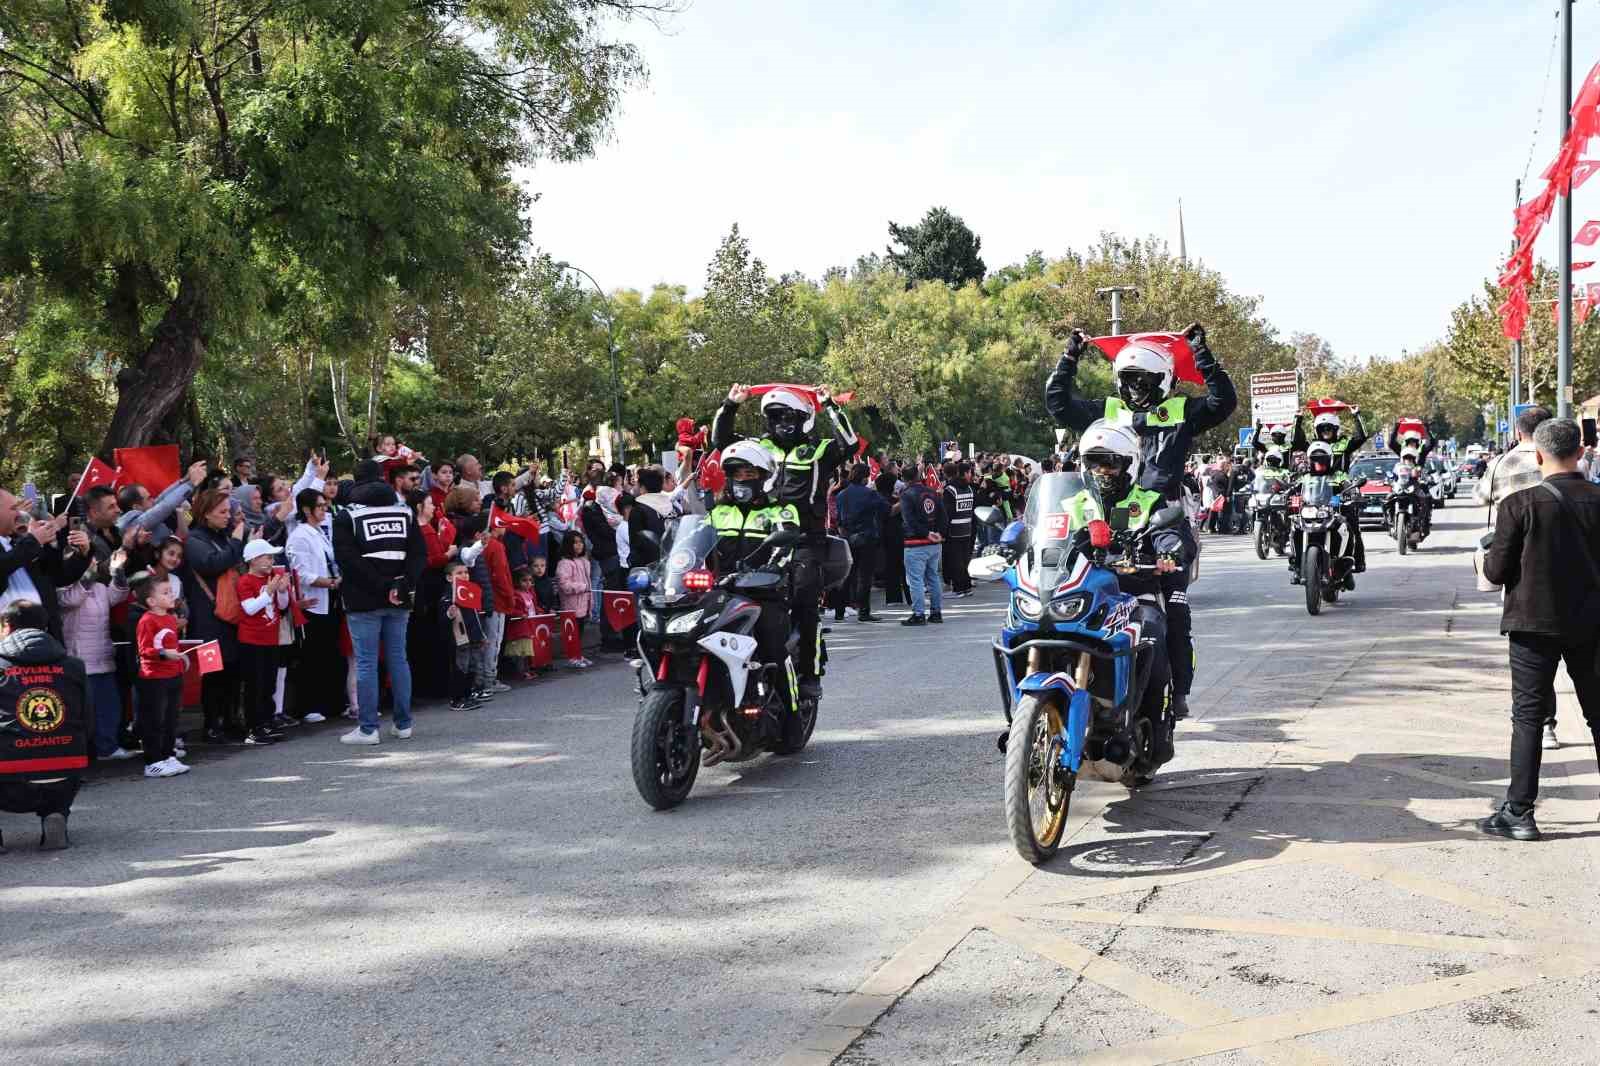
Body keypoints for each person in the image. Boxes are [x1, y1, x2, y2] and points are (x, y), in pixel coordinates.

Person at [1046, 323, 1236, 720]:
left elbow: (1223, 402)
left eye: (1143, 380)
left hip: (1160, 519)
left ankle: (1176, 693)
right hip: (1105, 514)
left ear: (1164, 380)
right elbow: (1059, 404)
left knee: (1175, 611)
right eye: (1128, 380)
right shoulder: (1108, 411)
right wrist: (1070, 357)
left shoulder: (1182, 411)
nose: (1134, 389)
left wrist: (1200, 352)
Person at [1479, 418, 1600, 841]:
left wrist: (1487, 559)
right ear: (1581, 452)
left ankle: (1520, 812)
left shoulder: (1519, 504)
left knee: (1528, 717)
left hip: (1533, 624)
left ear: (1537, 454)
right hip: (1592, 622)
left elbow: (1497, 570)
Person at [712, 384, 857, 700]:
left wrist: (829, 404)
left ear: (804, 417)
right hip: (763, 535)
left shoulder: (819, 450)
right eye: (774, 415)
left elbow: (851, 444)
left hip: (805, 539)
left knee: (805, 595)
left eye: (787, 414)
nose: (781, 421)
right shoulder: (760, 446)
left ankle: (810, 671)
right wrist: (730, 405)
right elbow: (720, 442)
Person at [1069, 421, 1187, 768]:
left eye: (1110, 463)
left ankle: (1158, 723)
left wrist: (1169, 550)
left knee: (1153, 634)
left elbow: (1169, 532)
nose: (1102, 471)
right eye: (1095, 463)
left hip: (1134, 594)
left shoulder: (1148, 501)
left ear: (1128, 464)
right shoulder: (1073, 502)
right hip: (1082, 594)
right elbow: (1044, 533)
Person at [333, 460, 425, 745]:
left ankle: (368, 728)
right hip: (399, 597)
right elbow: (418, 554)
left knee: (366, 663)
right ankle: (403, 723)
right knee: (398, 658)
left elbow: (347, 561)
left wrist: (382, 585)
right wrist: (401, 584)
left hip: (363, 599)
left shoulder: (346, 516)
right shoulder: (404, 511)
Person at [708, 441, 801, 710]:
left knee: (773, 646)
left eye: (749, 474)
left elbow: (785, 546)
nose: (742, 480)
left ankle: (791, 712)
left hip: (764, 592)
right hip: (722, 592)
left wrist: (770, 569)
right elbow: (693, 542)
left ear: (763, 477)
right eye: (737, 474)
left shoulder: (780, 510)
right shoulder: (719, 513)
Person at [0, 600, 89, 849]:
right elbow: (88, 719)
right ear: (45, 626)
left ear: (7, 625)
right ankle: (55, 813)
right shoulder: (74, 666)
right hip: (65, 772)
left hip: (7, 780)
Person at [179, 488, 246, 742]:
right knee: (213, 672)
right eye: (222, 512)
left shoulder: (222, 536)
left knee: (233, 670)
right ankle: (212, 722)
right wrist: (237, 543)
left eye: (229, 511)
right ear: (206, 514)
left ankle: (230, 718)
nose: (227, 516)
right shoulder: (195, 540)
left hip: (229, 616)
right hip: (207, 618)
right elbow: (212, 564)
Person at [59, 545, 135, 762]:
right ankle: (84, 751)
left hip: (103, 656)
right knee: (85, 711)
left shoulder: (100, 588)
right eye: (86, 561)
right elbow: (71, 600)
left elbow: (119, 594)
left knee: (109, 707)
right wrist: (89, 573)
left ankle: (107, 748)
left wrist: (117, 571)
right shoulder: (63, 587)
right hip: (80, 660)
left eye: (92, 561)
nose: (91, 564)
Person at [0, 492, 91, 643]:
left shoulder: (19, 542)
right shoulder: (26, 545)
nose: (20, 513)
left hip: (44, 639)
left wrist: (82, 552)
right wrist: (33, 541)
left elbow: (58, 577)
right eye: (13, 508)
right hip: (7, 644)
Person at [1292, 406, 1370, 569]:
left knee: (1351, 524)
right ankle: (1298, 563)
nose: (1326, 431)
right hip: (1315, 493)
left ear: (1335, 429)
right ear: (1317, 430)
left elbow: (1362, 436)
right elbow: (1296, 441)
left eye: (1329, 428)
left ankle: (1355, 561)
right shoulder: (1313, 446)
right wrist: (1297, 419)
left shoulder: (1344, 443)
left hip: (1339, 491)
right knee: (1297, 525)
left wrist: (1356, 415)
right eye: (1322, 428)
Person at [133, 575, 190, 777]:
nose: (171, 595)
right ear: (151, 601)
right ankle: (152, 761)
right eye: (165, 593)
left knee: (170, 719)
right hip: (154, 677)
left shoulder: (169, 619)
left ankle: (167, 755)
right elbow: (145, 650)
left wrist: (179, 657)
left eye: (170, 591)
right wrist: (165, 654)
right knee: (154, 720)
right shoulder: (147, 620)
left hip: (172, 674)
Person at [236, 539, 291, 746]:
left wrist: (283, 590)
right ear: (253, 559)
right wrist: (269, 591)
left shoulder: (272, 578)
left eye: (271, 557)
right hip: (251, 640)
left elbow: (282, 606)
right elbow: (249, 609)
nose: (271, 561)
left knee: (268, 683)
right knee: (255, 685)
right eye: (267, 557)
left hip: (271, 638)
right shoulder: (245, 581)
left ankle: (266, 722)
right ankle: (253, 728)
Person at [836, 463, 888, 622]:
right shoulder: (869, 494)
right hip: (867, 538)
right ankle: (864, 612)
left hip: (848, 539)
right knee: (864, 577)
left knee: (847, 576)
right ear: (865, 477)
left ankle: (839, 611)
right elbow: (887, 509)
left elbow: (838, 520)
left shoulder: (841, 495)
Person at [899, 467, 947, 627]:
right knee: (933, 577)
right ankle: (936, 612)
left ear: (904, 479)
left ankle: (919, 614)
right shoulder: (932, 492)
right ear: (919, 476)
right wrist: (938, 533)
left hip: (916, 543)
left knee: (916, 580)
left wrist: (927, 533)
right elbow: (943, 515)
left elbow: (909, 520)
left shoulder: (906, 495)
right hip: (933, 543)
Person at [440, 559, 486, 710]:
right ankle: (457, 699)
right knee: (460, 668)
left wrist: (482, 635)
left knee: (472, 666)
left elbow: (475, 617)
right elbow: (442, 619)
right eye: (459, 573)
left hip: (473, 637)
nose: (464, 575)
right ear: (449, 578)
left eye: (466, 572)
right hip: (459, 639)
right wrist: (449, 613)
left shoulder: (469, 593)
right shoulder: (448, 597)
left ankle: (467, 695)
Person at [555, 531, 595, 669]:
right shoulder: (564, 563)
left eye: (580, 542)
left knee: (580, 631)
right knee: (573, 632)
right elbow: (564, 585)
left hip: (583, 603)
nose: (578, 545)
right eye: (575, 543)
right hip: (572, 605)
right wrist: (582, 587)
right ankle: (572, 657)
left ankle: (578, 654)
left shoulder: (584, 561)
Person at [942, 462, 976, 597]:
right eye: (969, 473)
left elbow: (946, 514)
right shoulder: (969, 489)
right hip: (966, 529)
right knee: (963, 560)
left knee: (956, 560)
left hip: (954, 531)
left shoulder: (950, 490)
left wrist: (943, 531)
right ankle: (966, 587)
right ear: (963, 473)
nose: (971, 475)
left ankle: (958, 589)